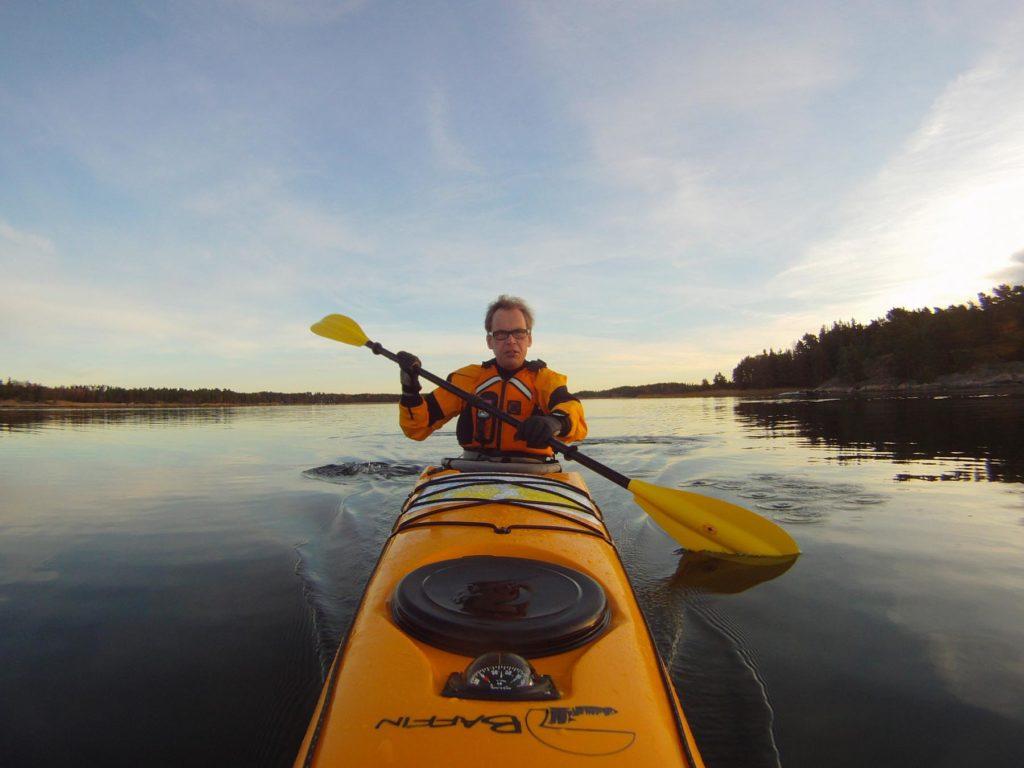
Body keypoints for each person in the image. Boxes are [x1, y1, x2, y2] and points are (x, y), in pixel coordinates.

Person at [396, 295, 587, 460]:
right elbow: (416, 428)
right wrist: (410, 389)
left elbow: (572, 410)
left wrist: (554, 422)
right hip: (474, 468)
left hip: (533, 469)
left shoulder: (545, 379)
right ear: (490, 341)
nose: (511, 341)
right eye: (502, 334)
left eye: (518, 333)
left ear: (529, 339)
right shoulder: (468, 379)